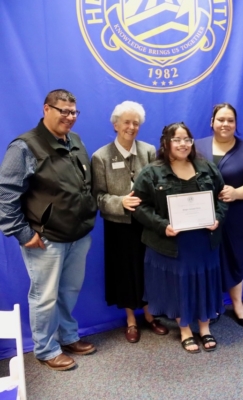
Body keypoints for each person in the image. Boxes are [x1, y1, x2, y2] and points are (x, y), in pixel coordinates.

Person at [0, 89, 97, 371]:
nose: (69, 117)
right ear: (46, 109)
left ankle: (68, 337)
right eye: (63, 111)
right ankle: (45, 349)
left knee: (69, 292)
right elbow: (5, 195)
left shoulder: (75, 140)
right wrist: (22, 232)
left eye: (73, 112)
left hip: (78, 235)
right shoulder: (24, 147)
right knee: (45, 297)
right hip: (45, 239)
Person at [132, 122, 227, 353]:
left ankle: (204, 328)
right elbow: (139, 206)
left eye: (187, 139)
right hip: (171, 244)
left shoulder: (207, 168)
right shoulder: (151, 172)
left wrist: (218, 218)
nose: (183, 144)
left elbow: (223, 197)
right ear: (166, 143)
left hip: (204, 242)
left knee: (204, 282)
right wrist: (162, 225)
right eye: (177, 140)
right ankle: (184, 328)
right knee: (179, 285)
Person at [91, 101, 168, 343]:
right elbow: (98, 197)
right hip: (118, 226)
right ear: (116, 125)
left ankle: (150, 314)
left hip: (146, 224)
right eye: (126, 122)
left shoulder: (148, 151)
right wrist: (120, 202)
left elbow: (157, 185)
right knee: (124, 273)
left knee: (147, 270)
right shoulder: (100, 156)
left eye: (136, 123)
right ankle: (131, 320)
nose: (131, 127)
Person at [195, 103, 243, 327]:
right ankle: (212, 304)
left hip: (238, 217)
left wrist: (236, 193)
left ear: (236, 124)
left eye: (230, 120)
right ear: (211, 122)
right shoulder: (197, 147)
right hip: (203, 217)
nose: (225, 124)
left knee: (236, 258)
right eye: (221, 119)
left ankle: (237, 304)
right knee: (208, 260)